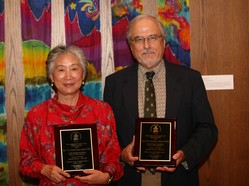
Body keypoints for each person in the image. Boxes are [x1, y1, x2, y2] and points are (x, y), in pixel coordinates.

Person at [103, 14, 218, 186]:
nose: (147, 45)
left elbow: (207, 129)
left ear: (163, 41)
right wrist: (121, 154)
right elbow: (107, 135)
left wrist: (185, 154)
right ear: (131, 46)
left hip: (178, 178)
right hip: (130, 179)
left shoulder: (190, 79)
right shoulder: (114, 83)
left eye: (152, 38)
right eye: (139, 39)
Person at [19, 45, 124, 186]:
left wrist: (106, 176)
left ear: (83, 75)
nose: (68, 76)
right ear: (51, 76)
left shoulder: (102, 111)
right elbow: (25, 161)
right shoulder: (37, 115)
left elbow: (114, 156)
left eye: (74, 69)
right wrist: (44, 169)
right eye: (61, 70)